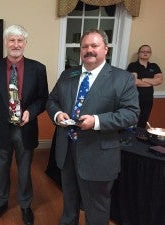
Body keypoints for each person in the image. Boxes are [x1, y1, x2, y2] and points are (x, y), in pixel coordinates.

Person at [46, 29, 139, 225]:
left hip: (98, 153)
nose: (89, 50)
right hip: (67, 150)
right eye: (85, 46)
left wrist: (96, 121)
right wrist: (57, 114)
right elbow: (52, 100)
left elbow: (131, 113)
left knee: (96, 207)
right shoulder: (68, 74)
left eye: (94, 46)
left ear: (105, 49)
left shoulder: (122, 78)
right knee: (69, 201)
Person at [0, 25, 48, 225]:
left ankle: (25, 205)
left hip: (25, 129)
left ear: (25, 43)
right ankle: (0, 203)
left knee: (25, 170)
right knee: (2, 168)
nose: (16, 45)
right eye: (12, 40)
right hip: (1, 129)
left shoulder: (38, 68)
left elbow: (43, 99)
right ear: (5, 43)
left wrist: (31, 111)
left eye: (20, 41)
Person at [127, 44, 163, 128]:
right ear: (139, 53)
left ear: (150, 54)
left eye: (148, 51)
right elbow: (134, 81)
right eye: (143, 51)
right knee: (131, 119)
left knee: (144, 120)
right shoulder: (133, 65)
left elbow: (159, 80)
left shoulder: (154, 66)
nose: (145, 53)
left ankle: (140, 137)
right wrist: (152, 82)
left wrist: (143, 79)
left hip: (148, 98)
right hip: (134, 98)